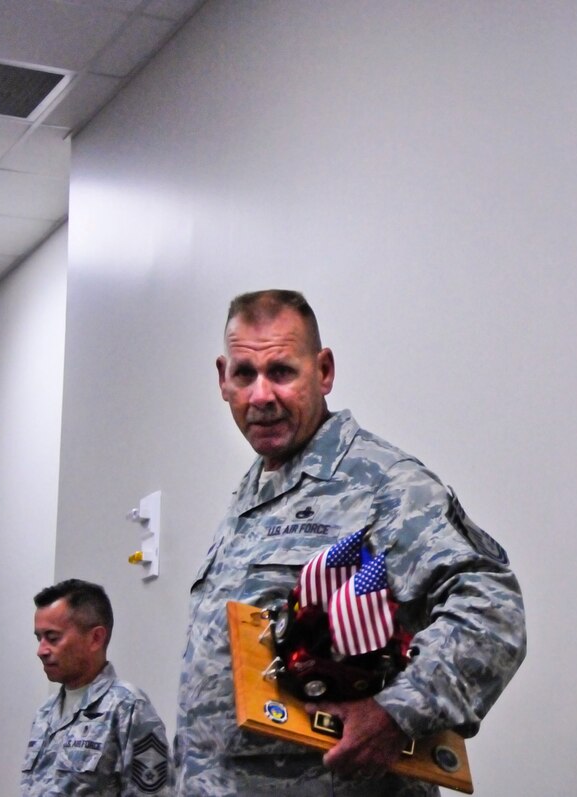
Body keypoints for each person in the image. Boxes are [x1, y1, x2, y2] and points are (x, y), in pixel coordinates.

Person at [173, 289, 526, 795]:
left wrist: (397, 712)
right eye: (245, 374)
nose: (261, 396)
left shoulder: (383, 483)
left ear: (324, 371)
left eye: (282, 372)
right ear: (222, 379)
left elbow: (493, 610)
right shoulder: (255, 492)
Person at [22, 579, 171, 796]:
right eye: (39, 638)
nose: (41, 650)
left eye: (52, 638)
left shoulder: (128, 708)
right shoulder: (45, 713)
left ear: (95, 638)